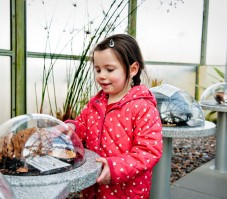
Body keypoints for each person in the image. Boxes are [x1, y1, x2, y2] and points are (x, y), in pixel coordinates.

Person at [65, 34, 163, 199]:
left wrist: (116, 167)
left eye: (109, 69)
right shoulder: (96, 102)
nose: (101, 75)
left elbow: (148, 151)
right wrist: (73, 128)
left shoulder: (143, 107)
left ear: (132, 69)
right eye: (97, 69)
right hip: (94, 186)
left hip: (126, 191)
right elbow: (83, 124)